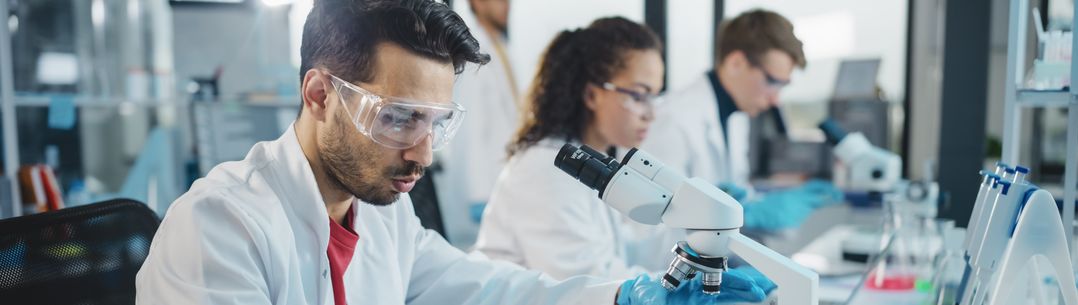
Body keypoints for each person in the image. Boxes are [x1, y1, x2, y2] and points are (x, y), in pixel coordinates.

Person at [135, 0, 769, 304]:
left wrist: (628, 298)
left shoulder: (382, 214)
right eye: (400, 118)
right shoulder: (220, 228)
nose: (422, 153)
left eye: (436, 122)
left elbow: (495, 291)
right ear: (319, 92)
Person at [476, 17, 717, 281]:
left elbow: (625, 251)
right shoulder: (547, 169)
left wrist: (695, 226)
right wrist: (680, 288)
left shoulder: (597, 160)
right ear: (592, 95)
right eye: (638, 96)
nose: (651, 114)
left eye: (654, 96)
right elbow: (587, 283)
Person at [641, 9, 841, 231]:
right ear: (736, 62)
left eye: (782, 86)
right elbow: (649, 228)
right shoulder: (672, 119)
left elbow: (737, 192)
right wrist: (727, 216)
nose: (776, 100)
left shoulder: (738, 118)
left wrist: (751, 205)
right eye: (772, 82)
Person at [437, 0, 519, 248]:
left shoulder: (501, 46)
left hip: (503, 182)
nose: (507, 5)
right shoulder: (471, 50)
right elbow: (468, 129)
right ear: (477, 3)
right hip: (482, 191)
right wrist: (479, 195)